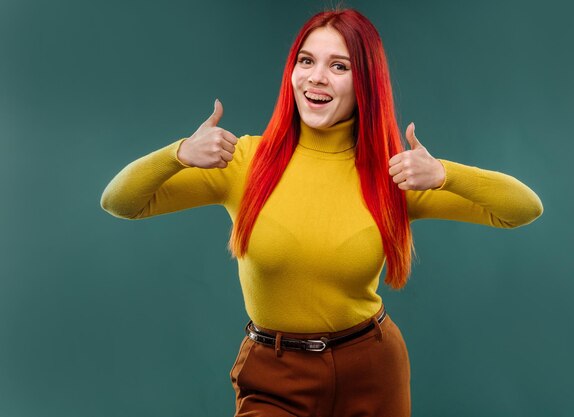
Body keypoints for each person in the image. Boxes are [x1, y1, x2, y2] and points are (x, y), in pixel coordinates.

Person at [100, 8, 543, 417]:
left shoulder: (394, 175)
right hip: (275, 377)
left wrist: (444, 173)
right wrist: (178, 153)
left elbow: (522, 208)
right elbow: (121, 202)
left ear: (364, 82)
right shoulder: (244, 162)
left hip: (373, 369)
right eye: (306, 61)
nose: (316, 79)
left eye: (339, 66)